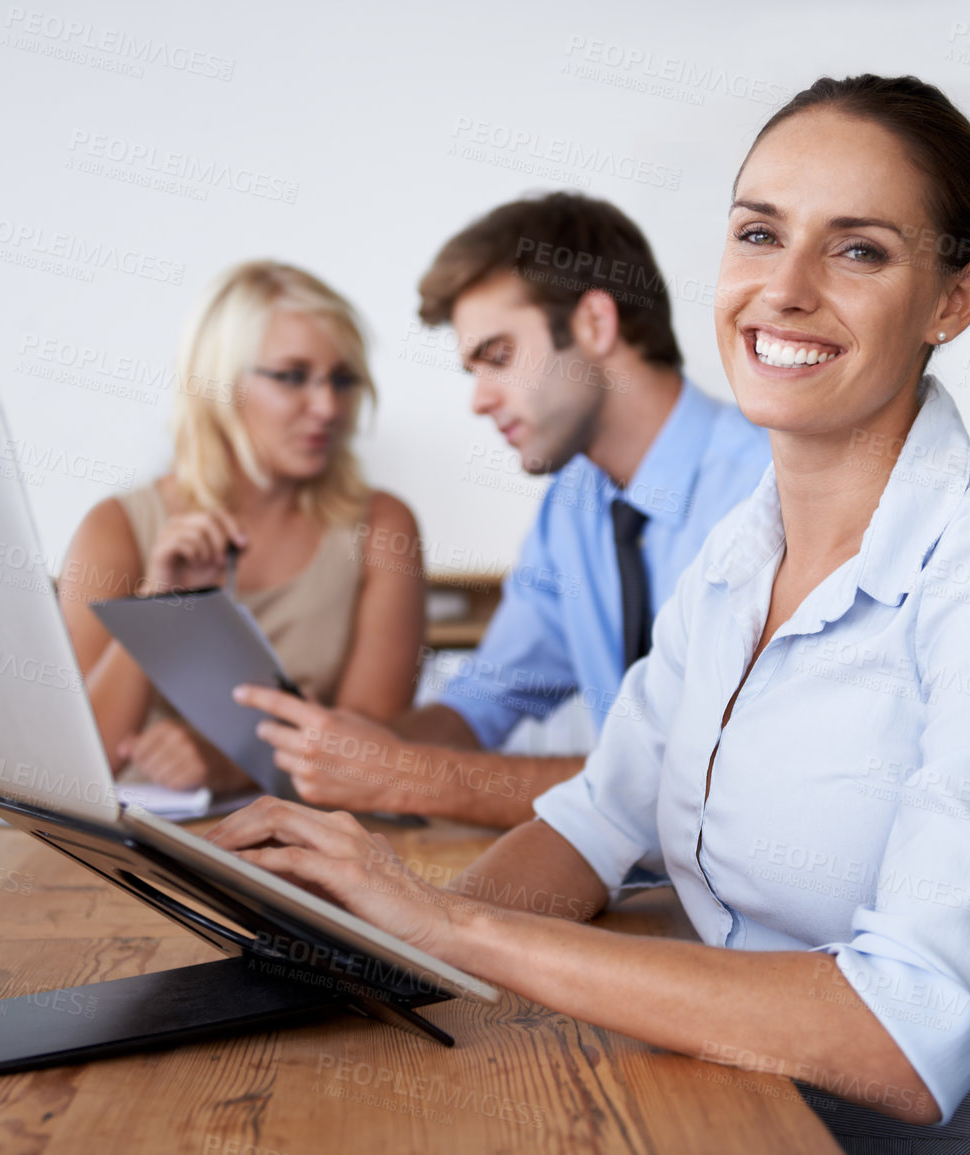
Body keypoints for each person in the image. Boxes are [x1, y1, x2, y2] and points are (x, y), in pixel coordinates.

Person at [216, 76, 970, 1150]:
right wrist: (371, 949)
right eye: (759, 234)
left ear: (953, 300)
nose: (786, 288)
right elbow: (598, 822)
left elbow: (907, 1037)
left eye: (858, 250)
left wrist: (448, 924)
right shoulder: (741, 548)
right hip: (754, 1093)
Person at [234, 192, 773, 827]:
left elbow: (708, 779)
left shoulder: (771, 491)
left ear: (595, 324)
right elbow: (480, 704)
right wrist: (350, 752)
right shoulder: (574, 506)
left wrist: (407, 775)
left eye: (497, 356)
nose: (479, 400)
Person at [58, 261, 425, 794]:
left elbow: (364, 757)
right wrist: (160, 603)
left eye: (343, 380)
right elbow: (77, 765)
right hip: (140, 845)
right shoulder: (115, 528)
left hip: (304, 834)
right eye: (292, 376)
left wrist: (234, 764)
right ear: (219, 384)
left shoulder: (383, 527)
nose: (327, 406)